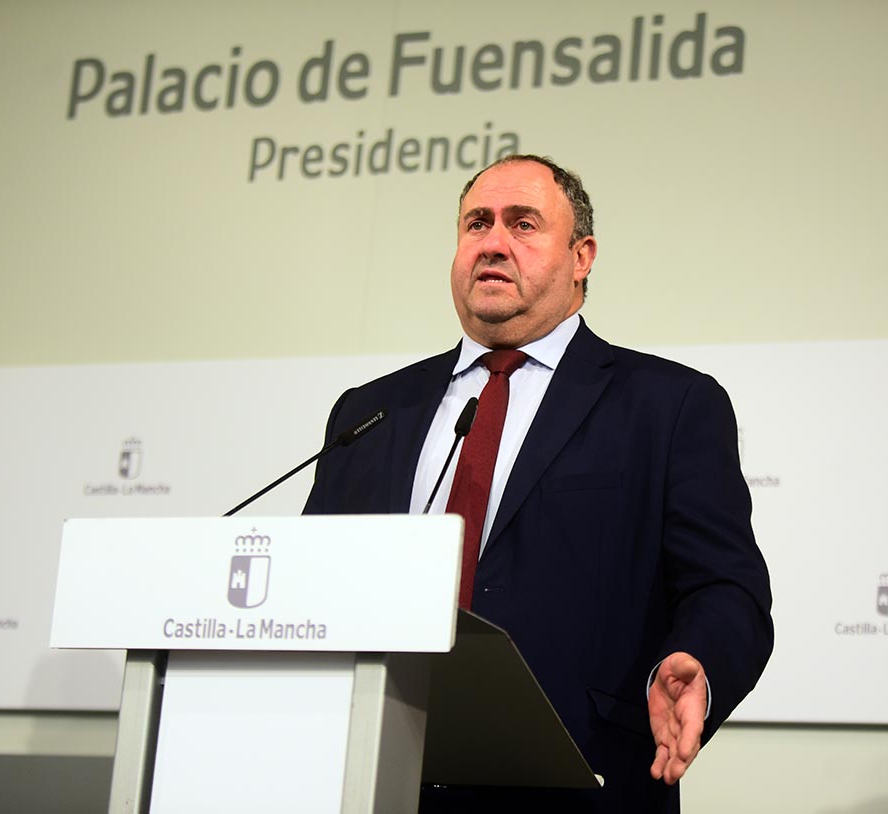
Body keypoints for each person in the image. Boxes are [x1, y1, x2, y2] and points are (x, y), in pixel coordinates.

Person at [304, 155, 773, 812]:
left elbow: (725, 587)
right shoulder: (371, 411)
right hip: (377, 778)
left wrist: (700, 659)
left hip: (579, 782)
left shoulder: (666, 405)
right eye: (476, 224)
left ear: (582, 256)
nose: (492, 242)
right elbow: (312, 582)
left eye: (522, 224)